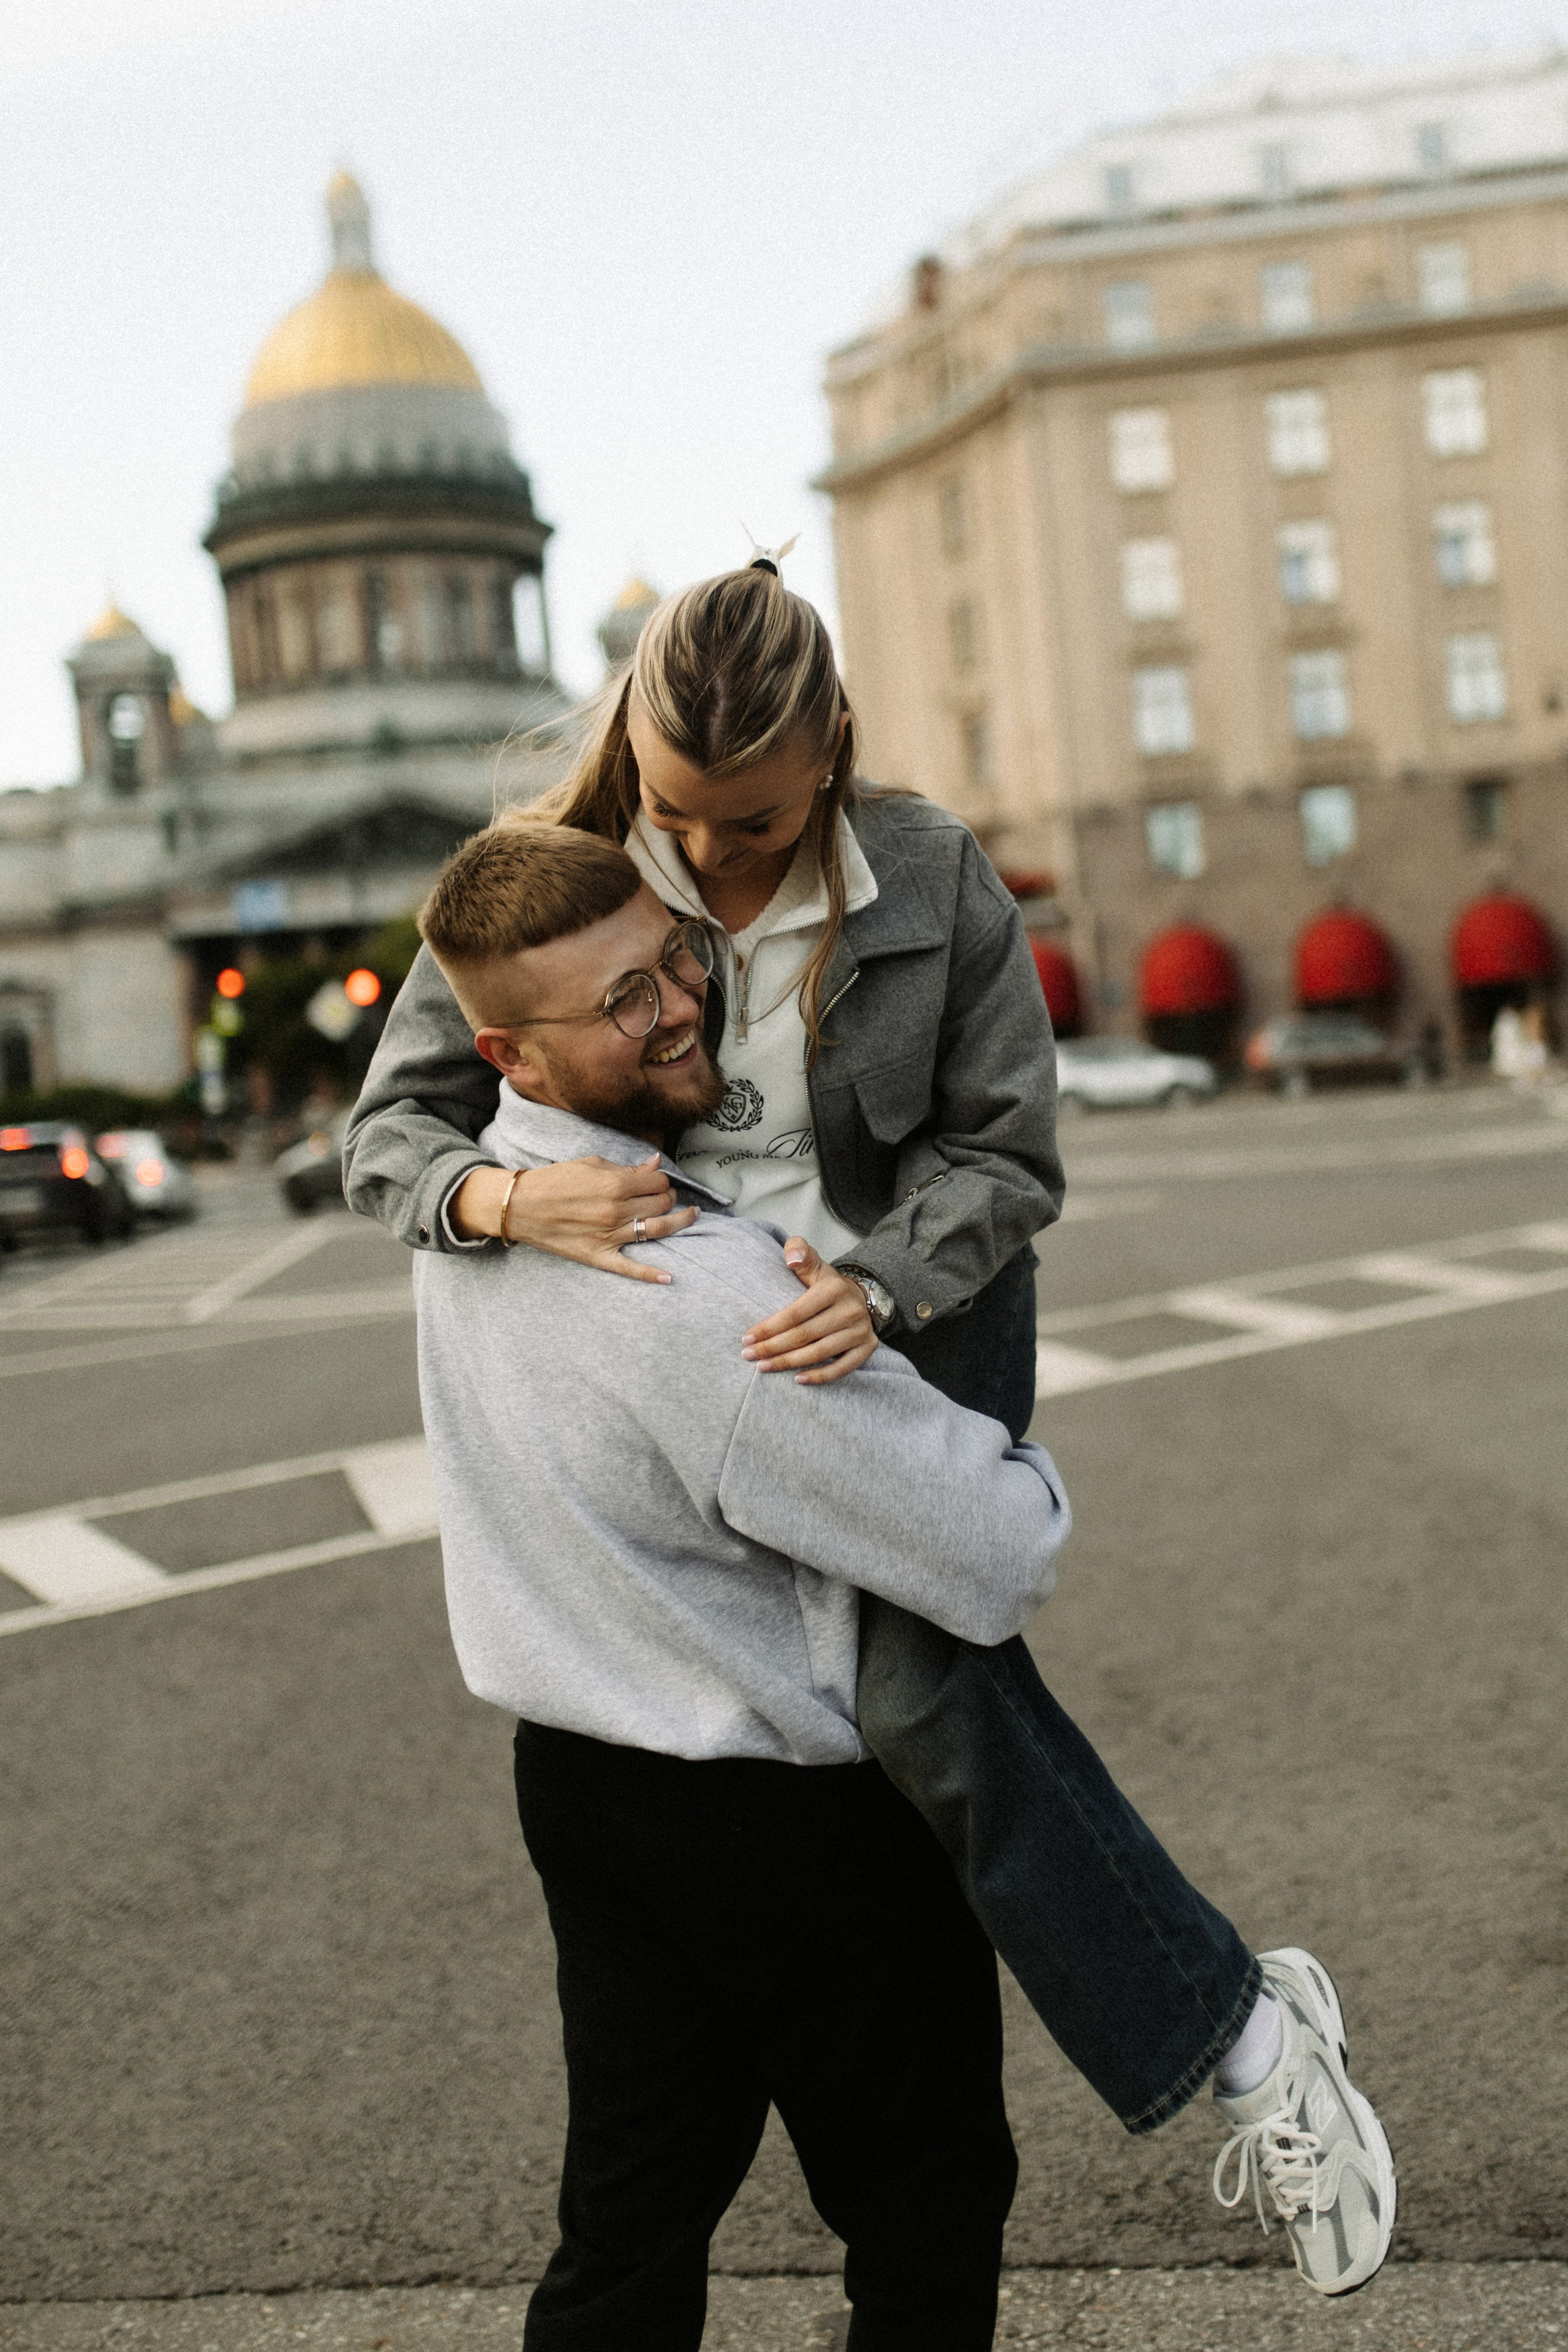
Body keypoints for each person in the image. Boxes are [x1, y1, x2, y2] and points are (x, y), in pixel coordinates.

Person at [346, 564, 1395, 2302]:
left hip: (898, 1316)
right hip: (696, 1319)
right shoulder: (579, 860)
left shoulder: (932, 876)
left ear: (835, 747)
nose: (721, 857)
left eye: (757, 819)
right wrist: (506, 1201)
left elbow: (1009, 1161)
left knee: (920, 1675)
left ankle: (1240, 2036)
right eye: (685, 815)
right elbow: (397, 1135)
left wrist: (889, 1288)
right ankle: (1217, 2015)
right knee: (671, 2118)